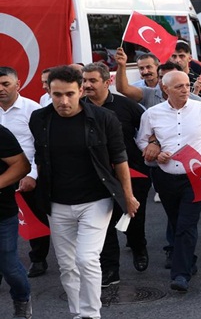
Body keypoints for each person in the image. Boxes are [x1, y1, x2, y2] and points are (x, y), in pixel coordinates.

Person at [29, 65, 139, 319]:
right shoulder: (39, 119)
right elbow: (38, 158)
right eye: (57, 95)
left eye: (69, 94)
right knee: (67, 265)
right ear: (48, 91)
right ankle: (77, 313)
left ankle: (91, 314)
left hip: (97, 200)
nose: (63, 101)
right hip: (56, 202)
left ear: (81, 91)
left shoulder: (103, 118)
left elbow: (119, 159)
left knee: (86, 259)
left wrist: (128, 195)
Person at [136, 71, 201, 292]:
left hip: (197, 176)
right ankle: (188, 260)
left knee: (186, 224)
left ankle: (180, 274)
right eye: (179, 87)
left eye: (187, 85)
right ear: (165, 89)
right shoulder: (152, 114)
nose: (185, 90)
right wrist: (153, 150)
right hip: (165, 177)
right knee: (176, 222)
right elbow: (141, 140)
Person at [81, 63, 152, 286]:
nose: (87, 85)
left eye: (92, 81)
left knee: (134, 216)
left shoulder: (127, 106)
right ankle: (111, 269)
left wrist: (154, 144)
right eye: (84, 81)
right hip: (97, 175)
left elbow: (149, 132)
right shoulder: (78, 108)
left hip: (133, 172)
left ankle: (139, 247)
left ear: (107, 82)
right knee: (105, 222)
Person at [0, 67, 49, 279]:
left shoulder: (32, 110)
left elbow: (42, 146)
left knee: (34, 218)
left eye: (5, 84)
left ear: (18, 84)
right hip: (2, 179)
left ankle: (38, 259)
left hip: (26, 174)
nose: (1, 89)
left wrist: (33, 175)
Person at [0, 124, 32, 318]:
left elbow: (22, 165)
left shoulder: (1, 133)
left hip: (2, 213)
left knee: (9, 266)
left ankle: (22, 299)